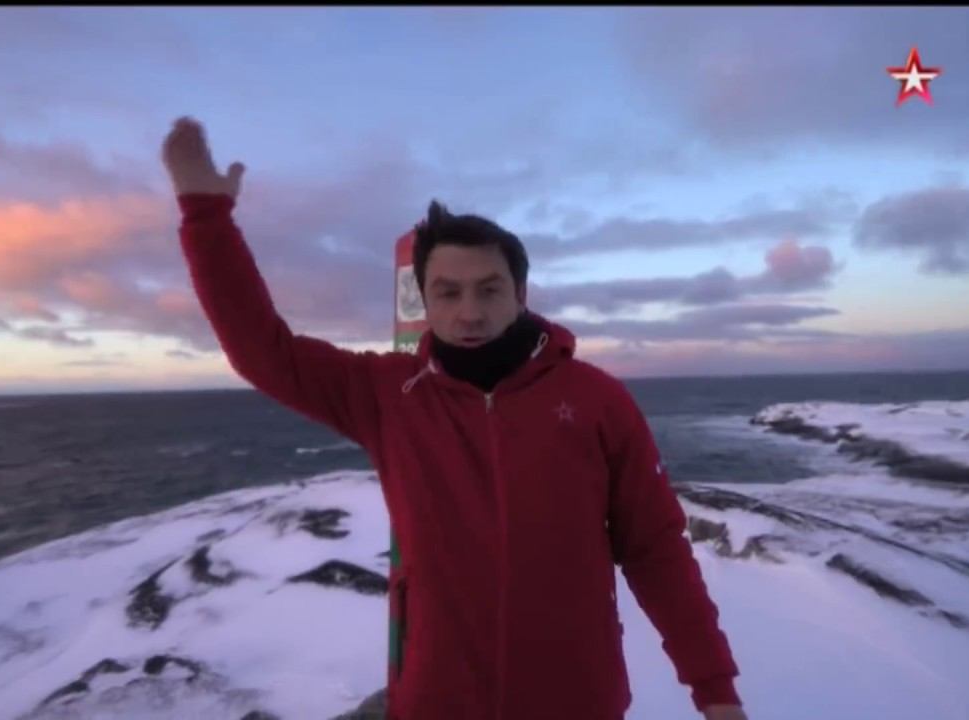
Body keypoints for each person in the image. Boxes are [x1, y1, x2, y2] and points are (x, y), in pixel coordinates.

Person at [162, 116, 747, 720]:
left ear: (521, 294)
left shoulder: (597, 400)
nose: (470, 312)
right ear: (425, 299)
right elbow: (264, 351)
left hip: (577, 702)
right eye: (448, 292)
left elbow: (655, 551)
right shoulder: (388, 394)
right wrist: (206, 217)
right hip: (435, 703)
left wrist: (714, 689)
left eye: (490, 289)